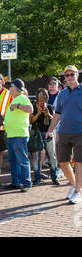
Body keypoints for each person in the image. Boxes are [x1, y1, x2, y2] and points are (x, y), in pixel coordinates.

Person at [46, 65, 82, 204]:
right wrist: (50, 130)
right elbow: (57, 114)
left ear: (77, 75)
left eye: (72, 74)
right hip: (63, 132)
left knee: (79, 163)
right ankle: (75, 185)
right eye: (67, 76)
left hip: (80, 132)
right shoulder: (62, 94)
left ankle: (78, 192)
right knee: (63, 163)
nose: (69, 78)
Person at [3, 78, 33, 192]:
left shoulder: (22, 98)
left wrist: (18, 106)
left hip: (19, 135)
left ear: (16, 88)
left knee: (22, 160)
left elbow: (30, 109)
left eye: (10, 87)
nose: (9, 89)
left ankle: (26, 183)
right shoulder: (15, 98)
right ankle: (16, 182)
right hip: (12, 135)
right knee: (13, 161)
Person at [29, 88, 60, 185]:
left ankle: (54, 177)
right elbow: (31, 121)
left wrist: (49, 114)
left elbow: (55, 120)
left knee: (52, 155)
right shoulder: (33, 107)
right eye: (40, 95)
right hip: (37, 133)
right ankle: (37, 178)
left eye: (44, 95)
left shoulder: (50, 107)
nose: (42, 97)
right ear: (37, 96)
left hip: (48, 132)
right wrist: (38, 113)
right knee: (36, 157)